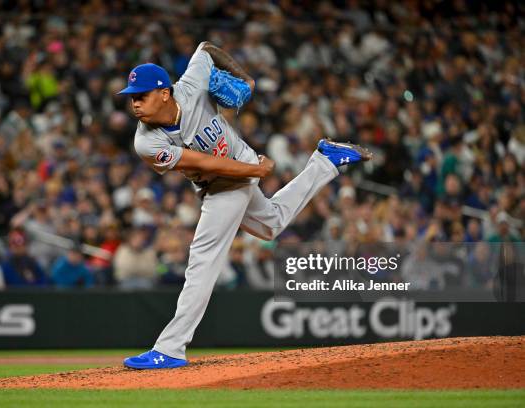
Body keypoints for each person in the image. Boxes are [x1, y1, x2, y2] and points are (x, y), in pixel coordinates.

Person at [118, 41, 371, 369]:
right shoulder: (146, 142)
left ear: (164, 93)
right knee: (271, 224)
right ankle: (326, 161)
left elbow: (206, 48)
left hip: (234, 176)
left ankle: (170, 347)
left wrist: (245, 77)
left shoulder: (191, 85)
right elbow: (206, 164)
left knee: (203, 259)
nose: (134, 103)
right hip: (226, 174)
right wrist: (256, 170)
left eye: (141, 96)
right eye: (131, 98)